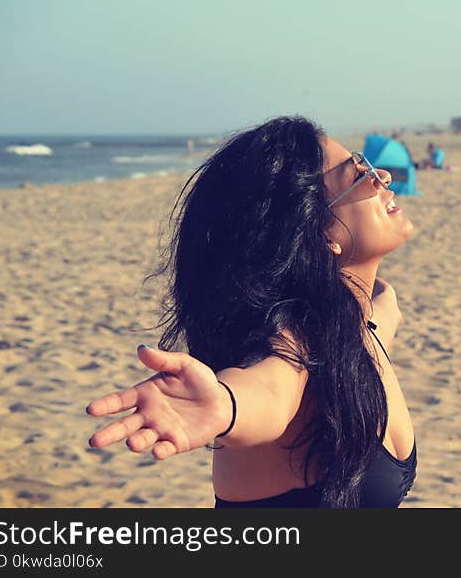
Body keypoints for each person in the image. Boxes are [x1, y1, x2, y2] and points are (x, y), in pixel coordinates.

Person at [85, 116, 417, 508]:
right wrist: (225, 405)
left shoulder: (360, 321)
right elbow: (270, 389)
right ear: (321, 234)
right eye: (359, 175)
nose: (382, 177)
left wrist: (383, 303)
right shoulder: (298, 344)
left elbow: (381, 313)